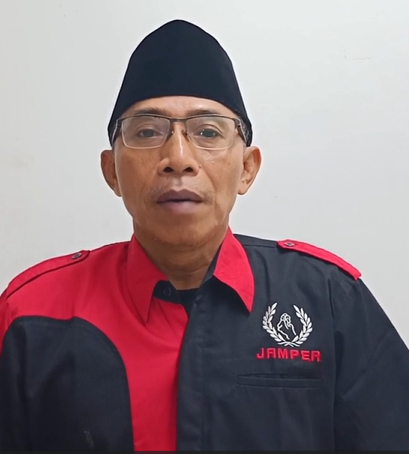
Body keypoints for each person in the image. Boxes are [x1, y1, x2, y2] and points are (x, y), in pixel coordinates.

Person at [0, 19, 408, 452]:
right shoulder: (33, 315)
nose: (178, 158)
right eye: (147, 132)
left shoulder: (327, 301)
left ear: (247, 168)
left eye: (207, 132)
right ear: (111, 171)